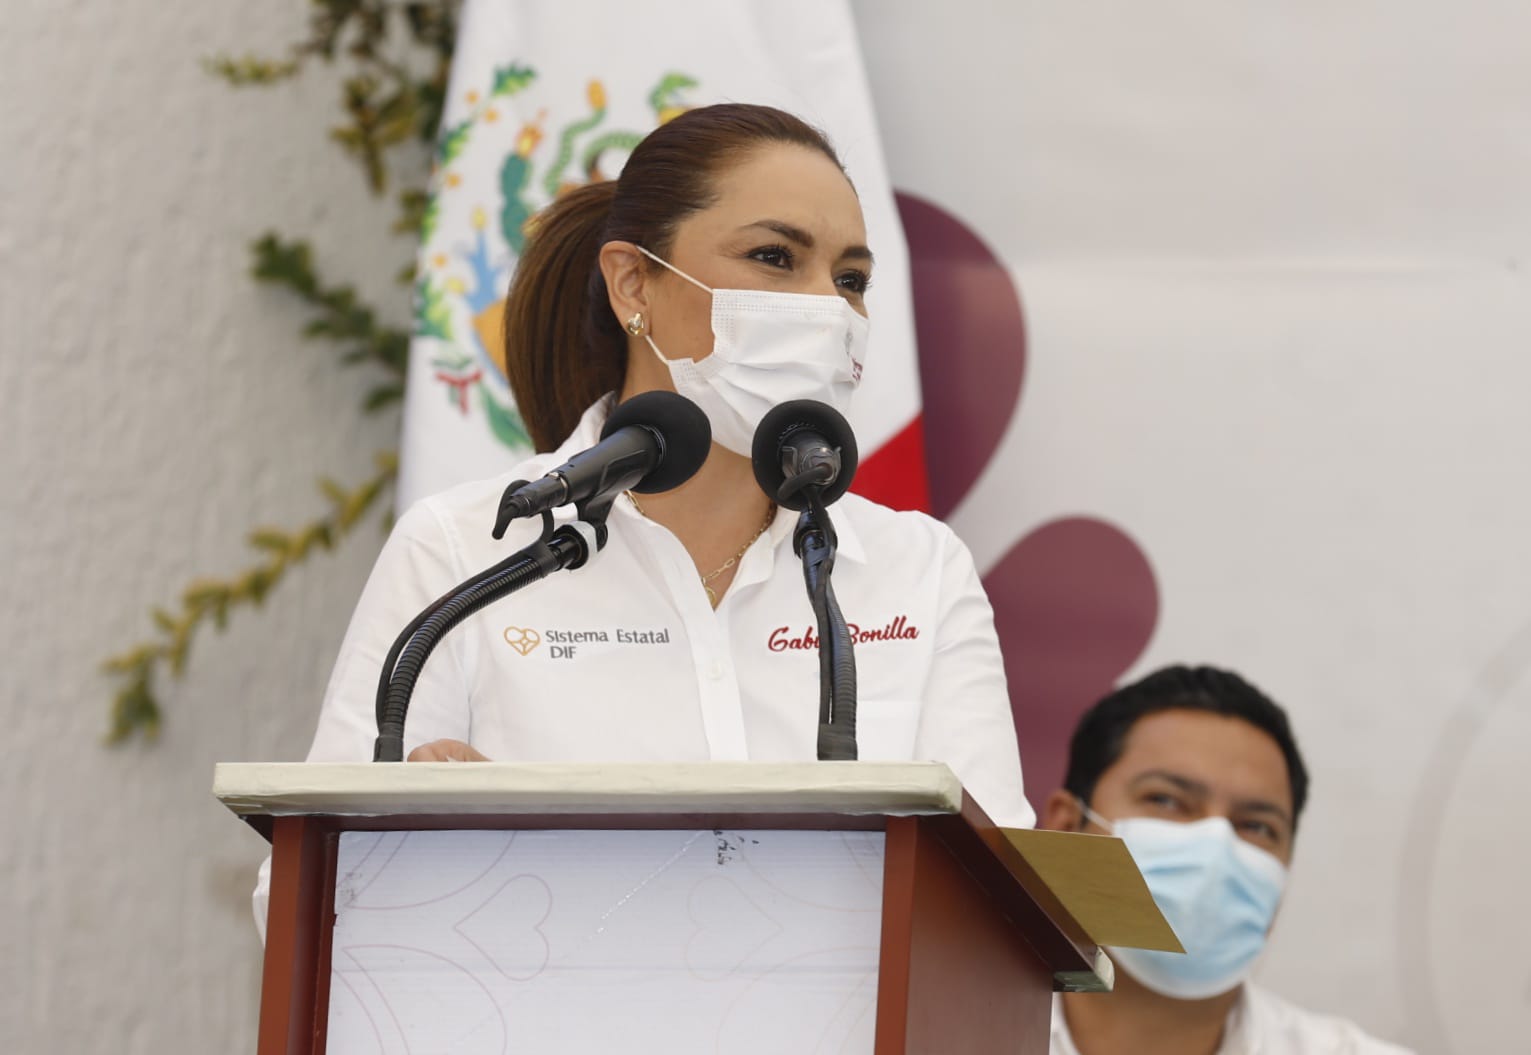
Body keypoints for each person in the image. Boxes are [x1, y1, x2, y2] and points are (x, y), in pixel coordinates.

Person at [296, 103, 1031, 818]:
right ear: (633, 283)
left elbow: (1002, 884)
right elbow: (317, 880)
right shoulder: (464, 551)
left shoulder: (921, 570)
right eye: (774, 258)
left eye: (850, 280)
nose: (827, 308)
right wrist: (473, 840)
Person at [1041, 665, 1414, 1055]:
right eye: (1166, 800)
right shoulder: (992, 1034)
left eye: (1256, 826)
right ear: (1066, 828)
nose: (1216, 847)